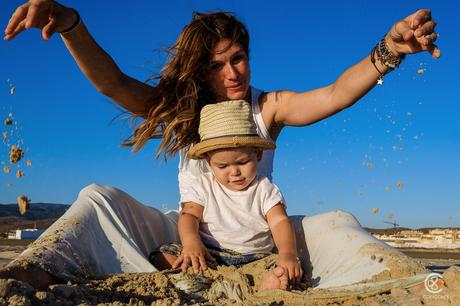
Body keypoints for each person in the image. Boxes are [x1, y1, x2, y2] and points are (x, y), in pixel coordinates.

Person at [1, 0, 439, 291]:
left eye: (238, 58)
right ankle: (38, 267)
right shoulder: (180, 109)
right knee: (96, 198)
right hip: (192, 231)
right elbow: (113, 83)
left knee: (337, 220)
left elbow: (335, 94)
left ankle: (408, 279)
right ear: (199, 70)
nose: (233, 73)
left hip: (261, 234)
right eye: (217, 65)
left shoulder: (267, 107)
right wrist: (72, 26)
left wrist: (389, 50)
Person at [153, 100, 302, 290]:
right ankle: (206, 278)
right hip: (209, 253)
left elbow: (279, 221)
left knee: (279, 269)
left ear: (258, 154)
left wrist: (288, 253)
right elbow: (189, 215)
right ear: (208, 162)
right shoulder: (203, 185)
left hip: (254, 257)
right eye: (222, 166)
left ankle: (261, 282)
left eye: (242, 162)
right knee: (162, 255)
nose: (234, 172)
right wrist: (191, 242)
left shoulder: (264, 188)